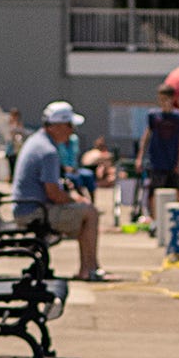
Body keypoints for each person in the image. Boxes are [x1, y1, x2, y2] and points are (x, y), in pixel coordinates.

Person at [13, 99, 111, 281]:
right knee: (90, 213)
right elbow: (53, 193)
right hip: (33, 212)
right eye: (69, 125)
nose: (72, 130)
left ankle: (88, 267)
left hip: (27, 208)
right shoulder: (48, 151)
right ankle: (89, 268)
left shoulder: (38, 141)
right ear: (55, 126)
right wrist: (76, 201)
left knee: (85, 211)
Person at [140, 84, 179, 222]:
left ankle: (178, 219)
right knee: (155, 191)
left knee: (178, 190)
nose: (164, 102)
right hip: (156, 160)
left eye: (166, 99)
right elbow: (146, 135)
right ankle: (155, 220)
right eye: (161, 99)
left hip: (172, 159)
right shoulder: (153, 115)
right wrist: (140, 156)